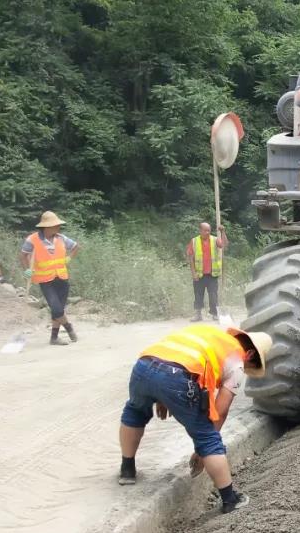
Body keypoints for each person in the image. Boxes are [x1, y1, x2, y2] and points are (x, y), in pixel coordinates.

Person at [117, 324, 272, 514]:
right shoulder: (237, 360)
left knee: (134, 411)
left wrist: (162, 397)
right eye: (250, 367)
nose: (245, 370)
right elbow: (221, 411)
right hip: (179, 376)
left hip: (144, 366)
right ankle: (230, 499)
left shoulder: (208, 334)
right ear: (249, 354)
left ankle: (127, 470)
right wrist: (202, 448)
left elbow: (170, 358)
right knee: (207, 437)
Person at [20, 211, 80, 345]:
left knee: (58, 310)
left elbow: (76, 247)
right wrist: (27, 270)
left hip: (62, 278)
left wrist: (69, 257)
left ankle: (54, 338)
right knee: (57, 309)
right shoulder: (32, 239)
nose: (58, 227)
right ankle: (69, 328)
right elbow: (23, 255)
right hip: (45, 280)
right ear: (46, 227)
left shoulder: (61, 238)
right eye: (55, 225)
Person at [186, 222, 226, 321]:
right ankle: (198, 315)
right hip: (199, 274)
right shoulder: (194, 241)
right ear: (200, 230)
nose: (207, 232)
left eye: (209, 230)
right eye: (205, 230)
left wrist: (223, 232)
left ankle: (215, 314)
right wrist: (193, 273)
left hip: (212, 274)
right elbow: (191, 257)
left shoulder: (214, 239)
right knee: (198, 295)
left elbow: (224, 245)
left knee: (213, 295)